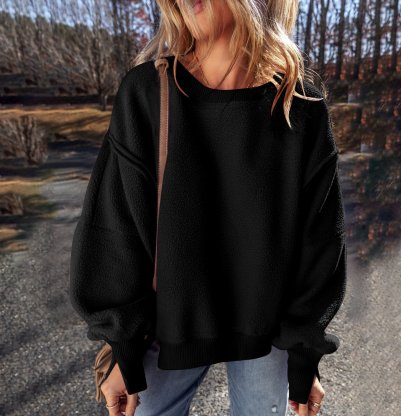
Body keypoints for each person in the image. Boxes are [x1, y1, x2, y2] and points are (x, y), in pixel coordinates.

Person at [69, 1, 347, 415]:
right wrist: (122, 349)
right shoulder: (147, 92)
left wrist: (306, 354)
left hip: (267, 331)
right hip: (167, 325)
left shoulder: (301, 103)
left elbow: (321, 241)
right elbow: (113, 230)